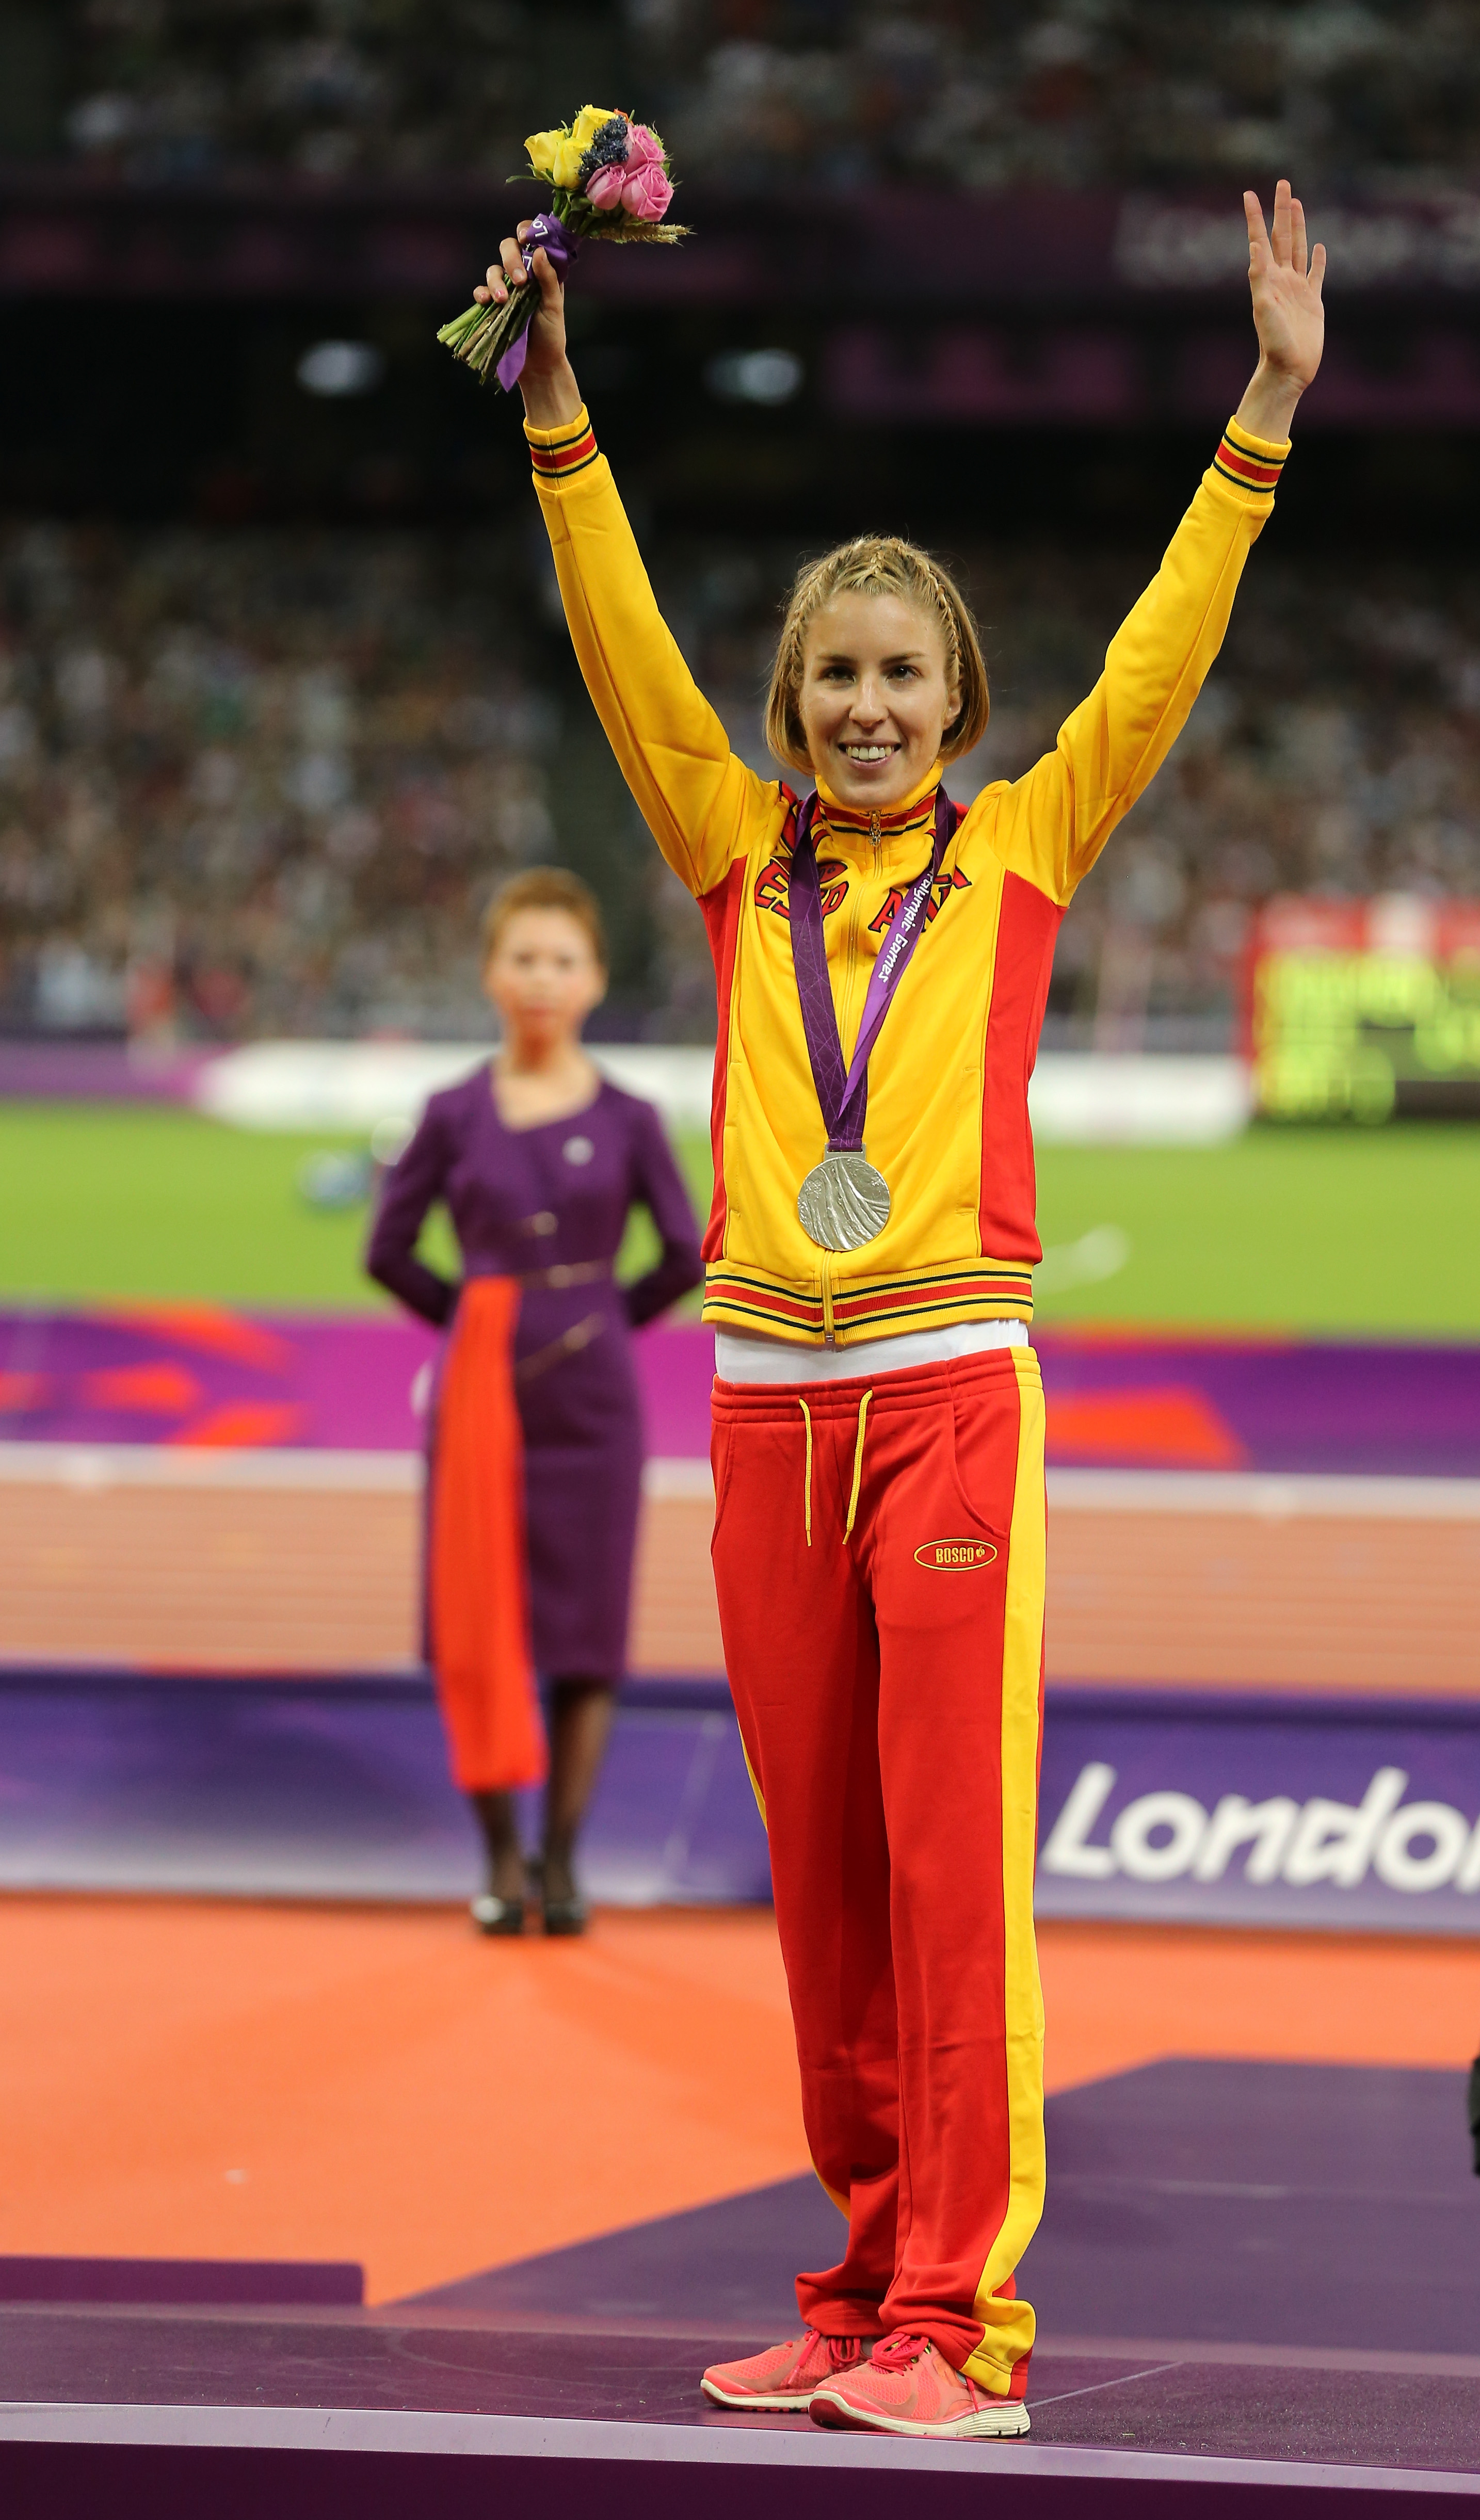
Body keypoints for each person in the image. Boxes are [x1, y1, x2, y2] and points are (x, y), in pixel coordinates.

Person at [474, 181, 1325, 2430]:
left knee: (953, 1890)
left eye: (899, 677)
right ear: (795, 704)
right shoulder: (728, 849)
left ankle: (968, 2321)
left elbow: (1167, 642)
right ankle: (857, 2290)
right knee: (829, 1896)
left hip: (949, 1398)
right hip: (769, 1417)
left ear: (958, 701)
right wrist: (558, 414)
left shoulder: (1031, 844)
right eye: (832, 678)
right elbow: (622, 648)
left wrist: (1262, 405)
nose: (863, 708)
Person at [367, 867, 703, 1935]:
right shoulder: (453, 1114)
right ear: (489, 975)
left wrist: (606, 1321)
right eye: (524, 958)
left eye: (564, 960)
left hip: (595, 1407)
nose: (542, 980)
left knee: (585, 1632)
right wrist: (472, 1328)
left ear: (596, 979)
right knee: (478, 1623)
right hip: (480, 1399)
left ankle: (562, 1862)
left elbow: (687, 1254)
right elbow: (389, 1250)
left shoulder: (633, 1119)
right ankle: (500, 1862)